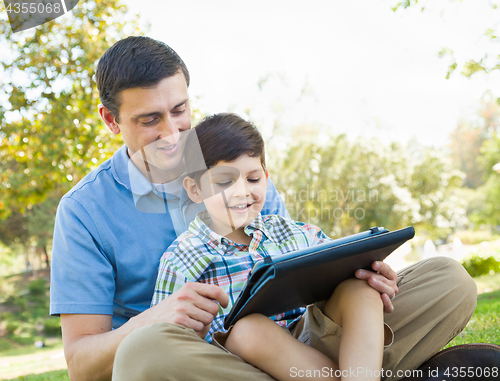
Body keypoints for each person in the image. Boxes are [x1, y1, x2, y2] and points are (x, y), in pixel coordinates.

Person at [48, 35, 483, 381]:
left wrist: (360, 268)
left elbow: (297, 266)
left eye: (179, 110)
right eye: (149, 120)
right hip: (207, 363)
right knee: (144, 352)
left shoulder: (236, 170)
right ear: (111, 120)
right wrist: (154, 319)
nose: (173, 132)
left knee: (448, 280)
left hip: (296, 344)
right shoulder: (83, 212)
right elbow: (82, 366)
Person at [151, 113, 390, 380]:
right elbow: (163, 342)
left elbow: (344, 263)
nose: (242, 192)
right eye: (225, 182)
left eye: (253, 179)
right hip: (239, 368)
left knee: (360, 286)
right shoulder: (181, 257)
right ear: (195, 190)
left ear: (265, 177)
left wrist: (373, 272)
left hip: (308, 344)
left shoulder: (292, 233)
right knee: (248, 330)